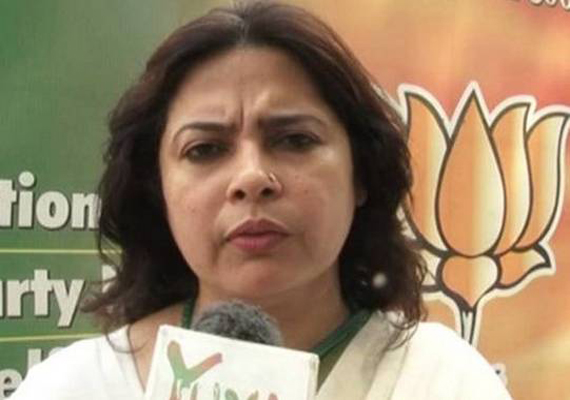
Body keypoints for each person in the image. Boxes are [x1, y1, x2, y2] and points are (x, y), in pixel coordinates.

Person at [10, 1, 512, 399]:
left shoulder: (444, 381)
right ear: (157, 188)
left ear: (361, 173)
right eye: (205, 149)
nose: (251, 178)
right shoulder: (73, 387)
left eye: (294, 139)